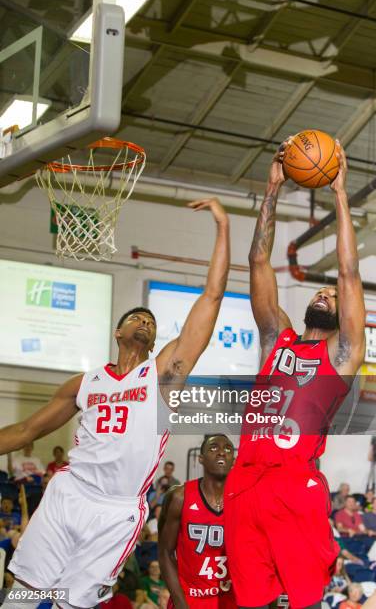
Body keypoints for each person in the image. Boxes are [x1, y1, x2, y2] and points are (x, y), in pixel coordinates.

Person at [0, 197, 230, 609]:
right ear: (118, 332)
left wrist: (222, 229)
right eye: (136, 319)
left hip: (117, 509)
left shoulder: (161, 377)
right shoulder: (83, 383)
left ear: (155, 342)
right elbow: (25, 431)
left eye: (151, 323)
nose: (144, 322)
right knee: (26, 593)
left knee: (72, 602)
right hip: (70, 492)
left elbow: (210, 300)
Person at [224, 141, 366, 609]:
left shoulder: (342, 353)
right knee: (250, 602)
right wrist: (271, 190)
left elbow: (348, 273)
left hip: (293, 484)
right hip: (244, 483)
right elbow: (258, 264)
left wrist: (341, 194)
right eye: (319, 291)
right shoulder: (277, 339)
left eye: (332, 294)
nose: (327, 294)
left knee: (304, 600)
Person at [159, 434, 237, 608]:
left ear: (234, 459)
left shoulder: (245, 499)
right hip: (189, 598)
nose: (222, 452)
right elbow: (165, 552)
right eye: (213, 447)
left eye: (228, 448)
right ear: (200, 458)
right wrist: (180, 603)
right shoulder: (179, 497)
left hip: (230, 599)